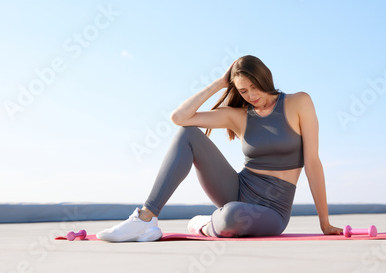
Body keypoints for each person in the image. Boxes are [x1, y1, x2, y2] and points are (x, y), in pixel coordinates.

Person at [97, 55, 343, 241]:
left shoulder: (299, 102)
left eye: (254, 87)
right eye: (242, 90)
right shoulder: (237, 115)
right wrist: (219, 84)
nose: (250, 95)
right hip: (237, 189)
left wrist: (325, 223)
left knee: (232, 216)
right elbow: (180, 118)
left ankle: (204, 224)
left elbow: (312, 163)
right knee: (188, 134)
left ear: (264, 78)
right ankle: (145, 219)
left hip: (273, 210)